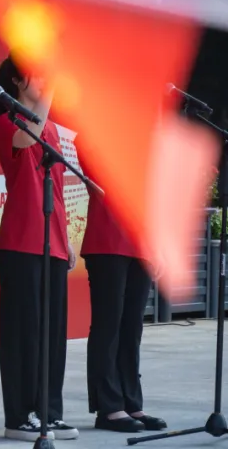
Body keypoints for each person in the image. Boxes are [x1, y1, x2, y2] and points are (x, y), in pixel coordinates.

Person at [0, 57, 78, 441]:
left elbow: (55, 186)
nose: (43, 80)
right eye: (36, 73)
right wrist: (51, 91)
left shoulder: (52, 128)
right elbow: (28, 137)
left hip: (52, 239)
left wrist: (65, 236)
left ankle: (48, 411)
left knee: (52, 334)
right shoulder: (7, 121)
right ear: (16, 79)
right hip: (22, 239)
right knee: (23, 333)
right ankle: (19, 414)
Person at [79, 139, 167, 434]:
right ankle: (108, 406)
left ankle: (131, 401)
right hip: (107, 241)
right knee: (109, 326)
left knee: (132, 327)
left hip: (140, 244)